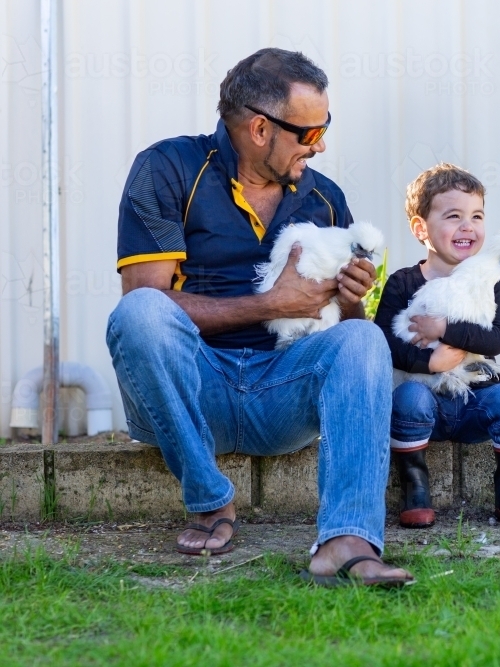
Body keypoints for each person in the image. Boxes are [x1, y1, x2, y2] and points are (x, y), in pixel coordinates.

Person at [106, 48, 411, 587]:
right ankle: (210, 500)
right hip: (192, 390)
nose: (320, 144)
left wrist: (351, 299)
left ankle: (346, 540)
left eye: (325, 128)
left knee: (364, 337)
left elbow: (343, 332)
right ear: (261, 129)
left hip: (281, 391)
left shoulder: (325, 197)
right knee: (141, 314)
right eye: (309, 133)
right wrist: (271, 304)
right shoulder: (169, 168)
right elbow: (146, 301)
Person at [373, 164, 500, 528]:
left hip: (474, 400)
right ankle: (415, 484)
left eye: (476, 216)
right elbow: (383, 343)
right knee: (408, 401)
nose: (468, 226)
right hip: (423, 402)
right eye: (453, 216)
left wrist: (446, 329)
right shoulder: (403, 283)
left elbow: (497, 338)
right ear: (421, 228)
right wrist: (430, 362)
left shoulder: (488, 281)